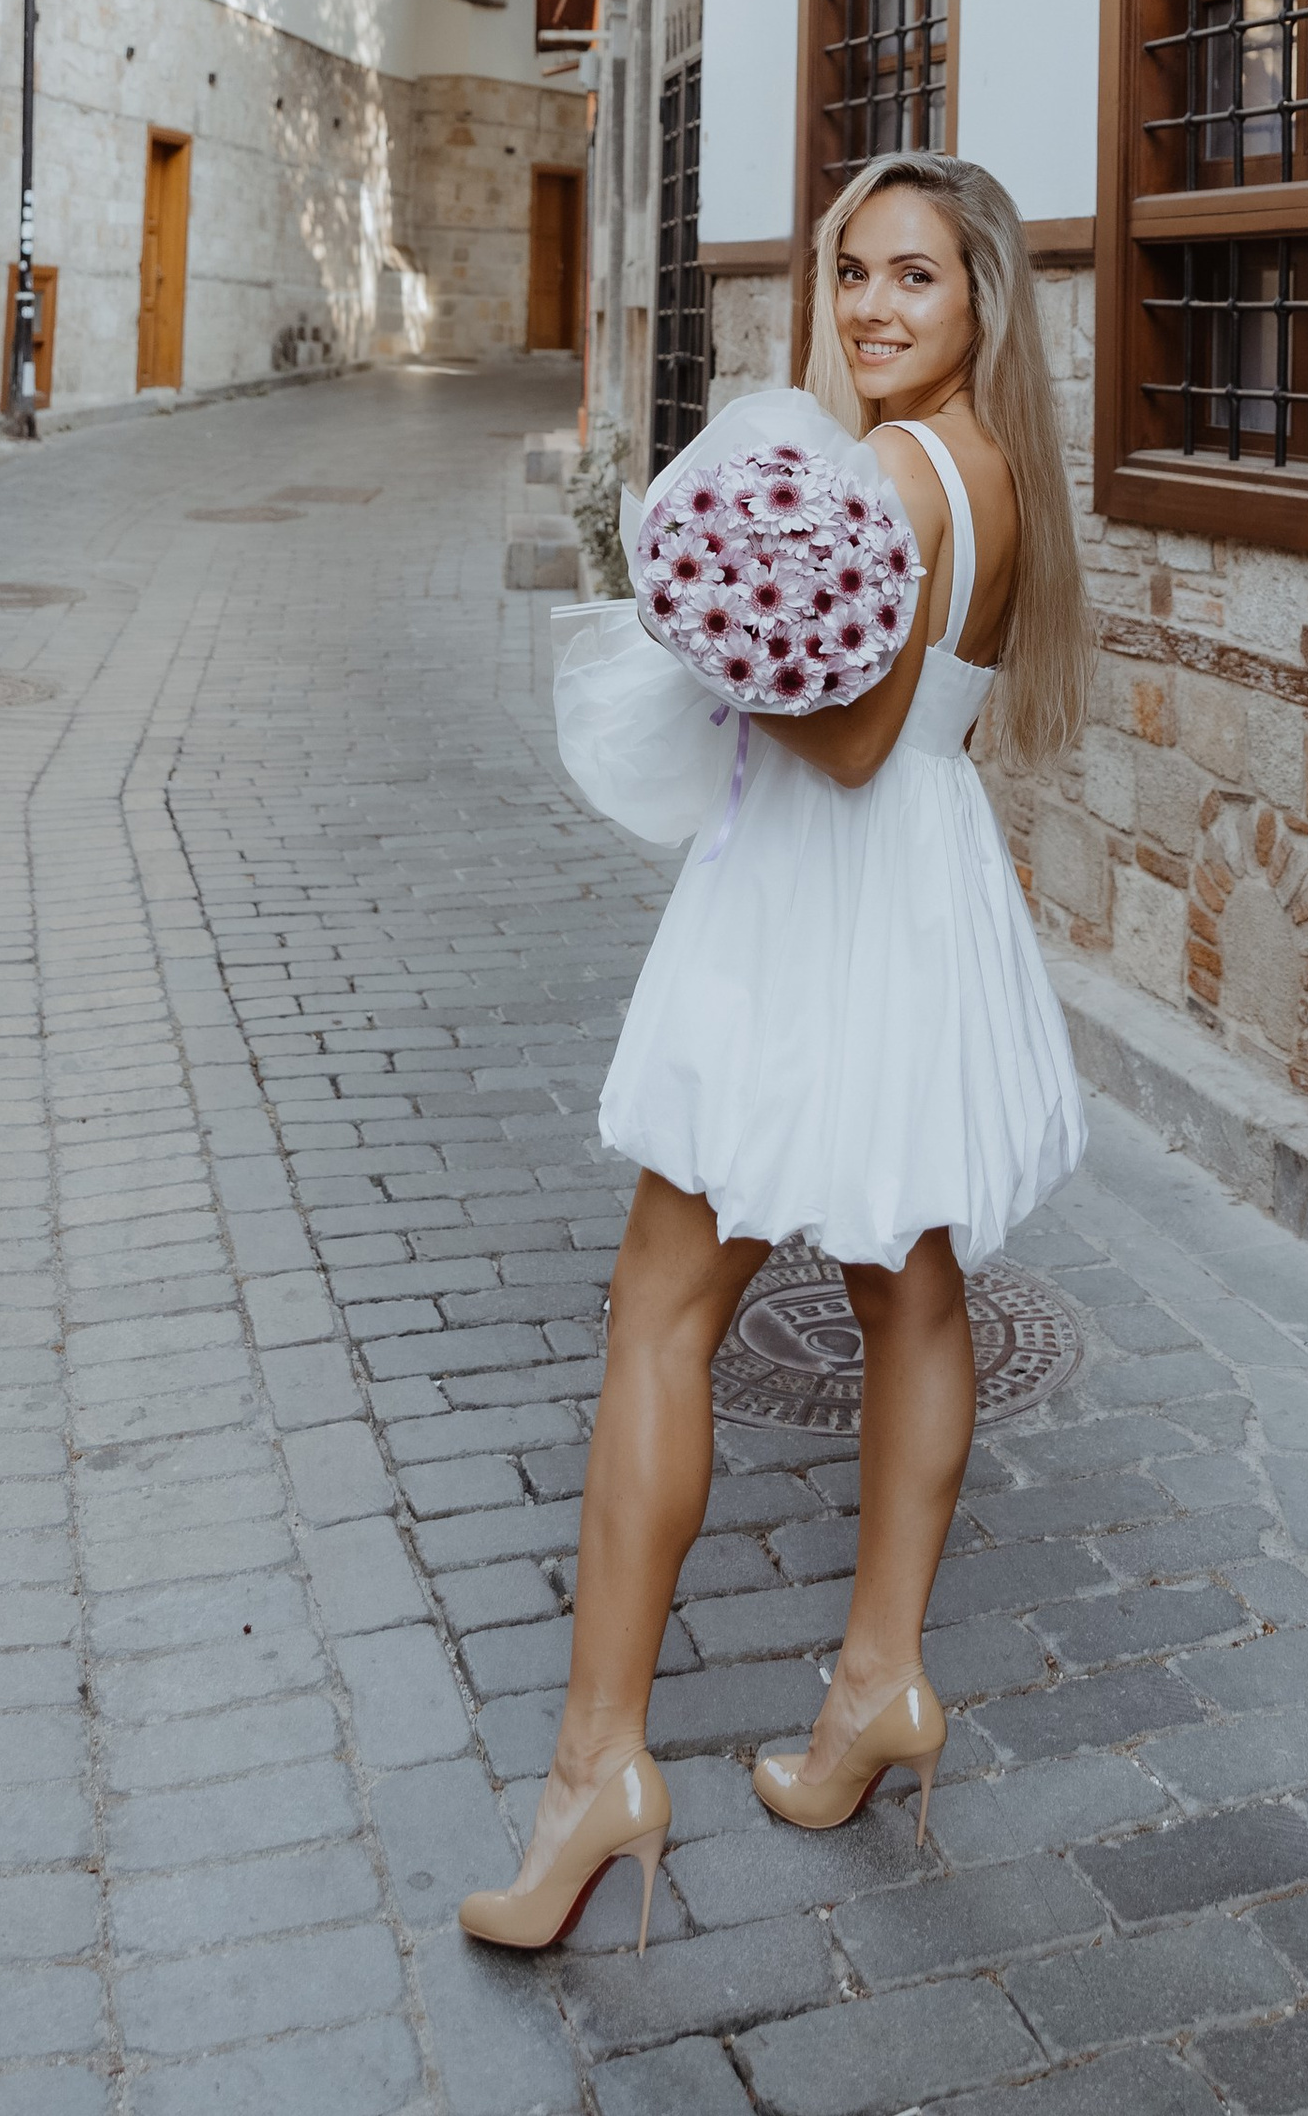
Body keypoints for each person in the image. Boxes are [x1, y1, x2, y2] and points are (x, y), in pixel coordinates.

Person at [461, 150, 1092, 1954]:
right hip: (927, 890)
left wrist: (703, 624)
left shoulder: (894, 467)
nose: (875, 307)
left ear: (981, 299)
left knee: (661, 1306)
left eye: (916, 276)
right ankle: (877, 1683)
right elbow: (913, 723)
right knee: (914, 1289)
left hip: (821, 906)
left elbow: (840, 741)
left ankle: (597, 1773)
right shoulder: (996, 467)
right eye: (852, 274)